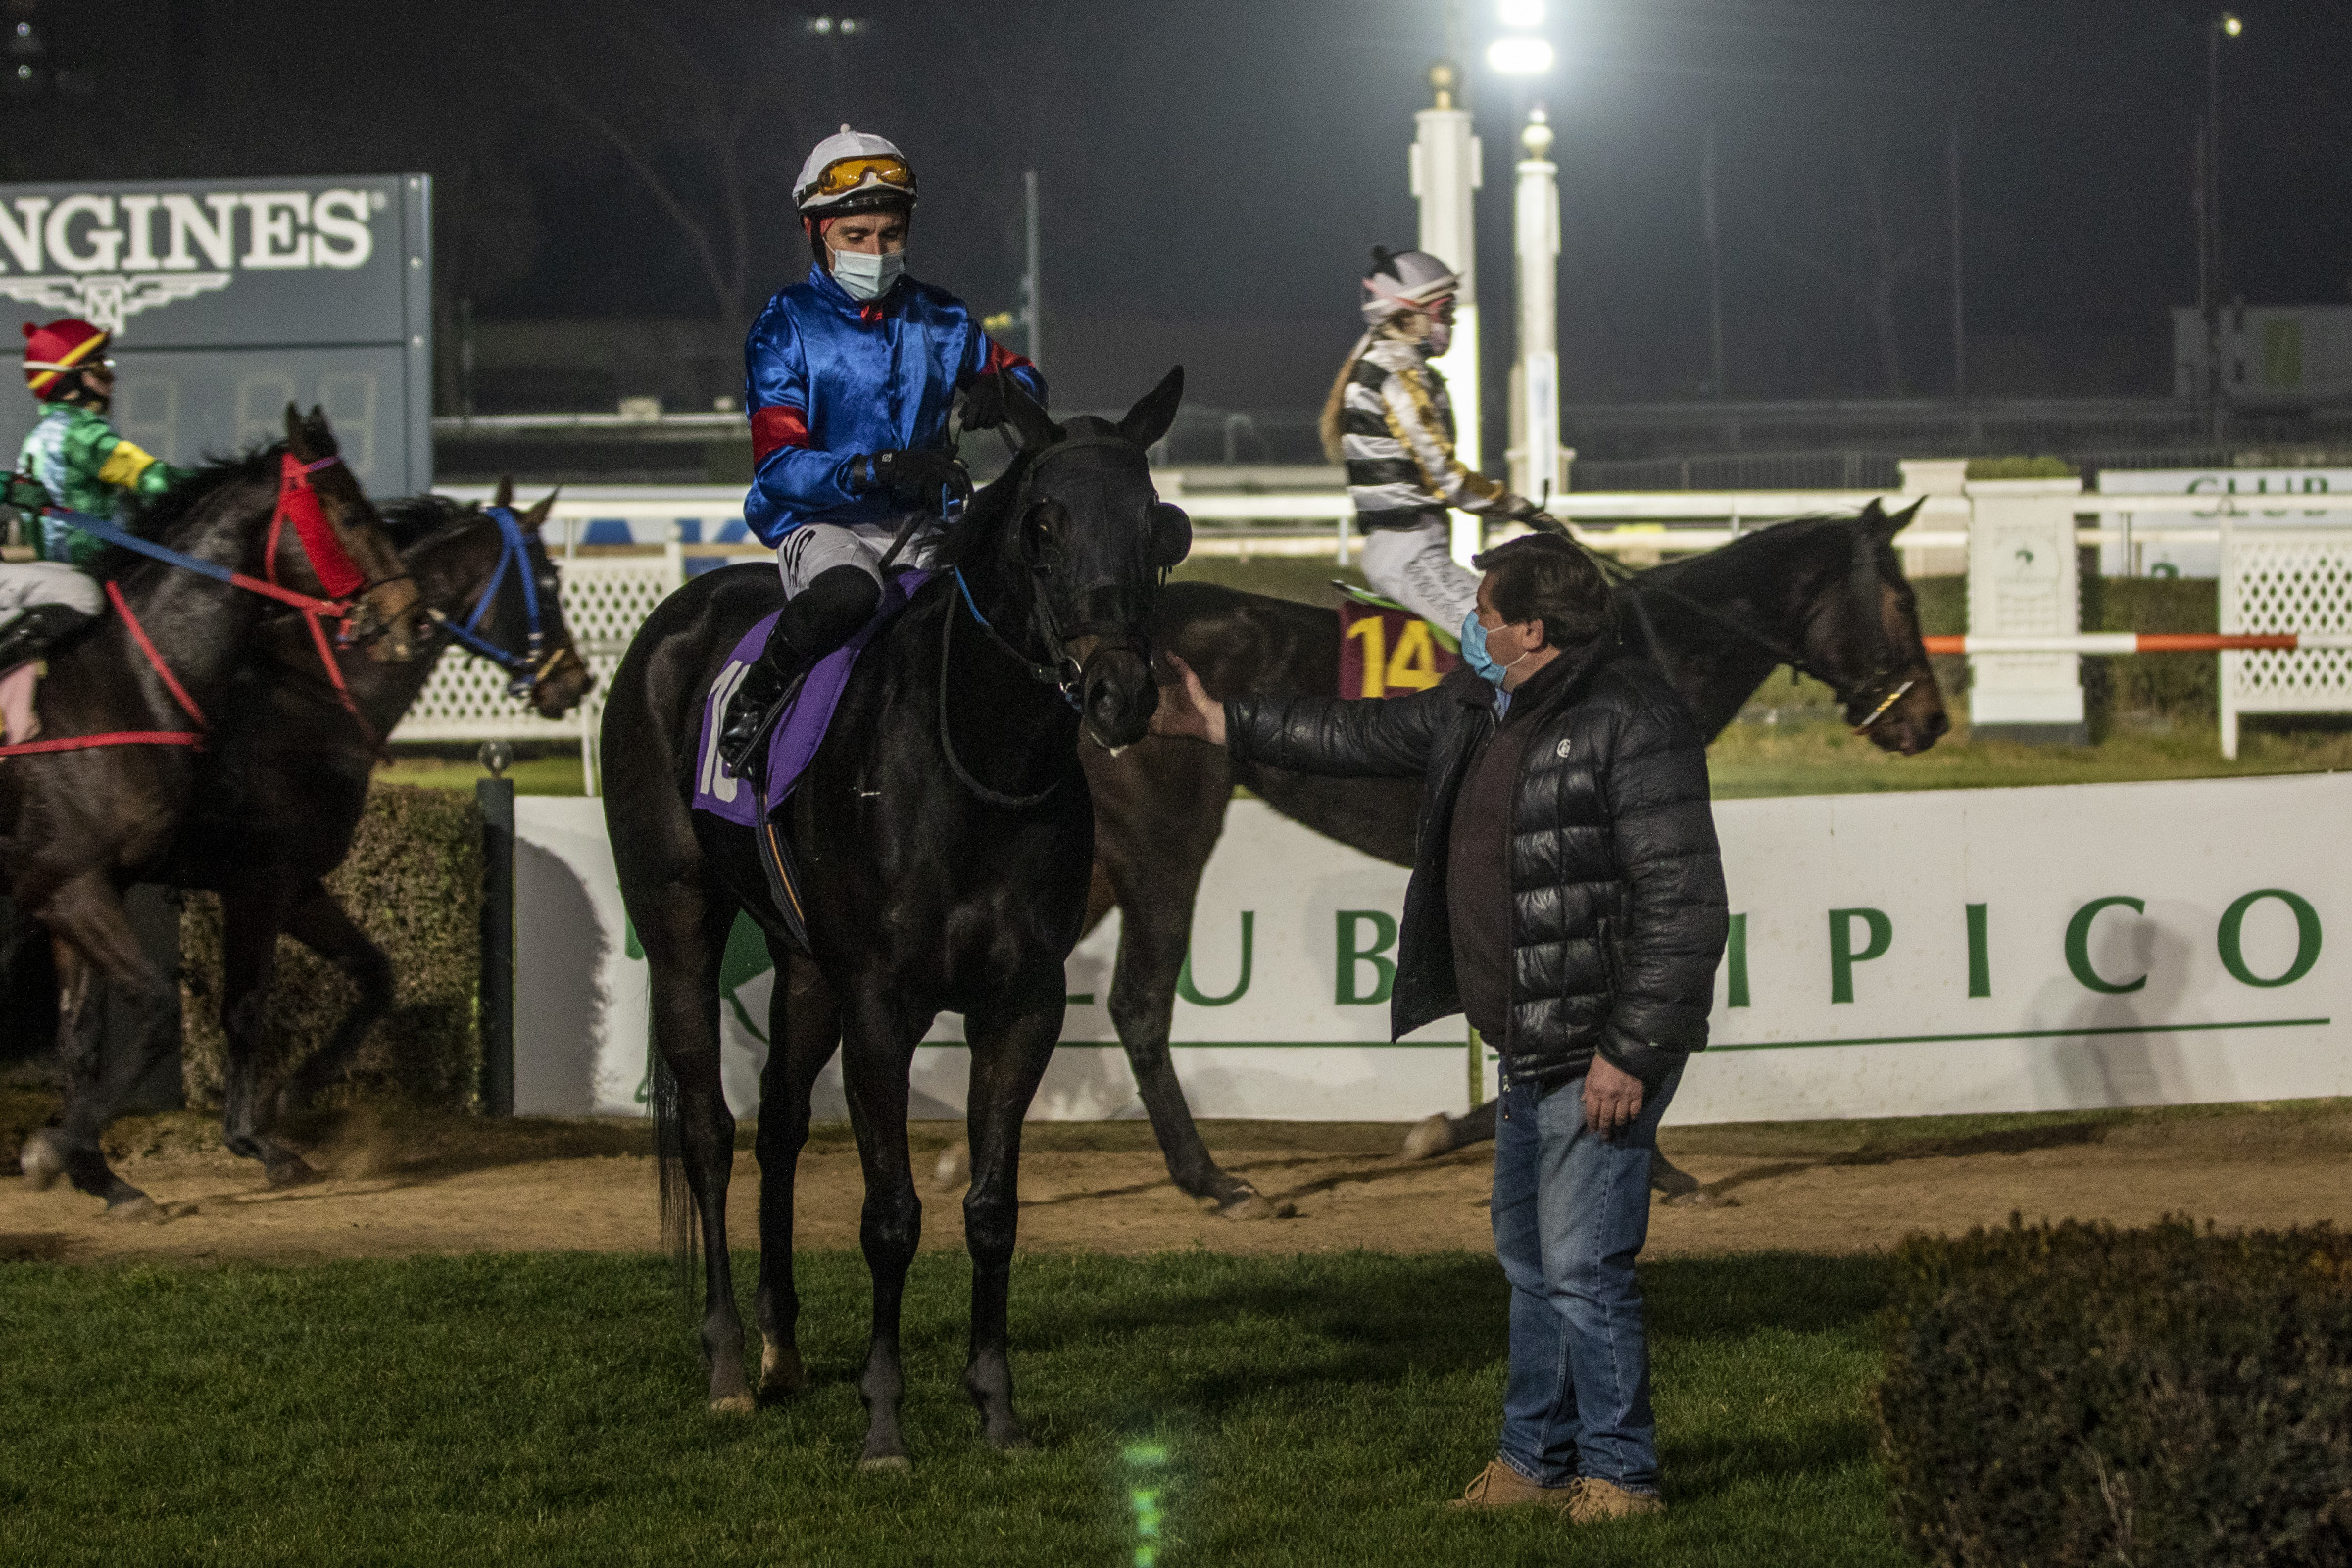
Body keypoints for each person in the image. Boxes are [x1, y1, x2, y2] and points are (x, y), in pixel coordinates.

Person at [1151, 532, 1728, 1524]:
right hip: (1529, 1040)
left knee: (1582, 1268)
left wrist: (1629, 1053)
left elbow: (1686, 906)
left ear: (1532, 631)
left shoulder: (1634, 717)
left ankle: (1623, 1476)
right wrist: (1221, 722)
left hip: (1597, 1049)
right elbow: (1363, 733)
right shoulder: (1483, 701)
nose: (1471, 625)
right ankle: (1532, 1464)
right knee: (1532, 1264)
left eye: (1485, 614)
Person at [717, 126, 1047, 777]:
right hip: (824, 528)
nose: (876, 251)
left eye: (890, 235)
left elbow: (1023, 376)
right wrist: (879, 469)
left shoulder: (942, 318)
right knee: (851, 594)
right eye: (856, 236)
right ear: (816, 233)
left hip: (928, 525)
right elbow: (779, 468)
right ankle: (754, 700)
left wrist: (1004, 393)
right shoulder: (783, 326)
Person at [1321, 246, 1553, 638]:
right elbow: (1445, 477)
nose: (1452, 319)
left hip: (1416, 550)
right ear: (1405, 315)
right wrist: (1517, 507)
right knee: (1515, 641)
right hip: (1410, 556)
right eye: (1443, 310)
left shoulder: (1401, 370)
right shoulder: (1398, 378)